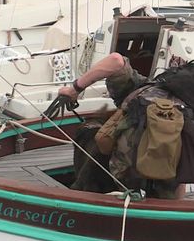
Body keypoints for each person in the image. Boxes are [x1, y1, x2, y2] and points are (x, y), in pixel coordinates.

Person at [58, 52, 185, 199]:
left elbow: (116, 60)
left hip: (125, 174)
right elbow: (185, 158)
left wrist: (74, 89)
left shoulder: (140, 89)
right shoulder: (185, 106)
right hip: (165, 179)